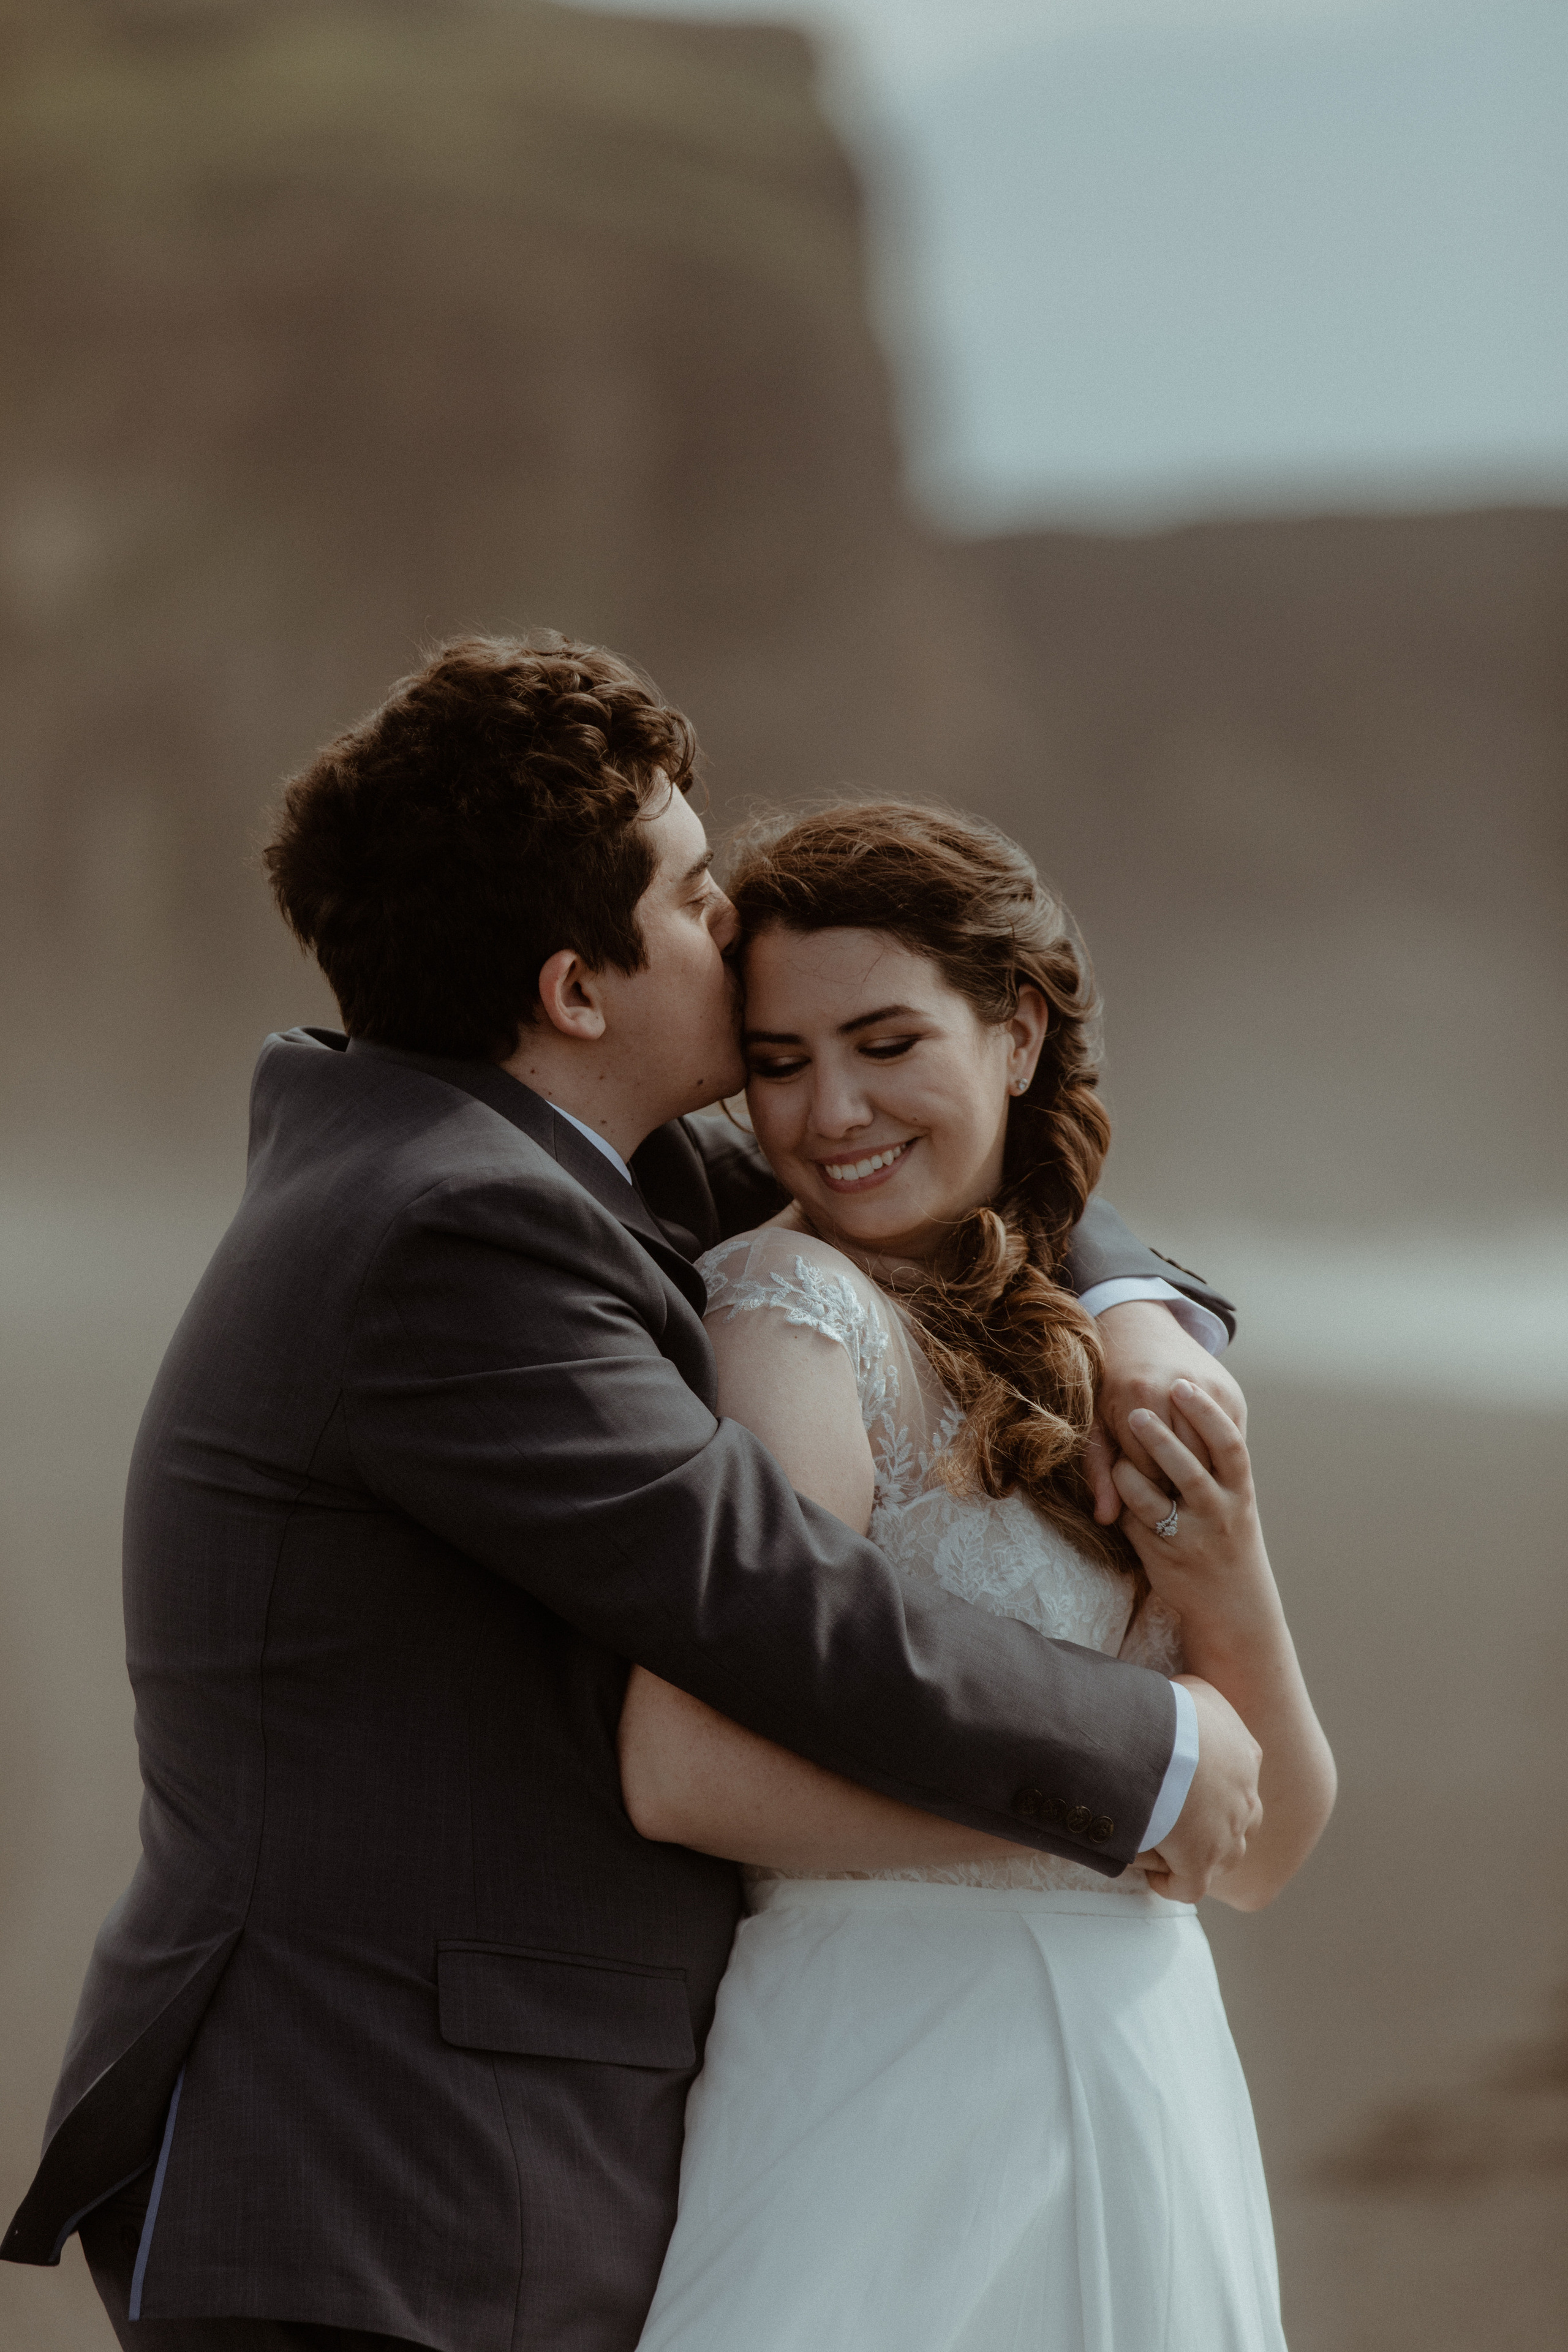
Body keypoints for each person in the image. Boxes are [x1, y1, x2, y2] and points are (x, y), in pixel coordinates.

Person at [1, 638, 1262, 2352]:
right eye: (687, 888)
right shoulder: (454, 1235)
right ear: (579, 987)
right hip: (382, 2164)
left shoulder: (564, 1157)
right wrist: (1154, 1757)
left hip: (476, 2136)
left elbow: (946, 1161)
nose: (733, 919)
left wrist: (1136, 1314)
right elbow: (771, 1595)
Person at [622, 802, 1336, 2352]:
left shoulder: (1116, 1356)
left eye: (886, 1043)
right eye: (782, 1060)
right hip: (889, 2073)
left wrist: (1226, 1579)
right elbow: (683, 1771)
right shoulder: (784, 1312)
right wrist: (1099, 1809)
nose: (829, 1112)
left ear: (1014, 1035)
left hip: (1150, 2080)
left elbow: (1265, 1843)